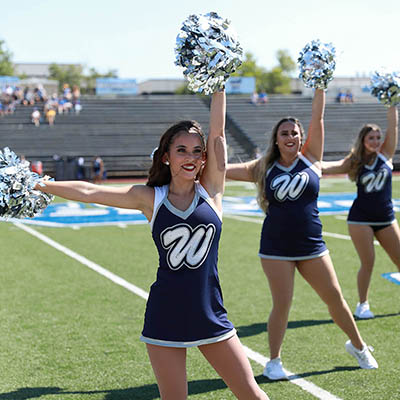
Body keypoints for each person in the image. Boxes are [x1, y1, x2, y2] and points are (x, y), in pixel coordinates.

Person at [35, 90, 269, 400]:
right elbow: (90, 192)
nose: (190, 157)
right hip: (165, 313)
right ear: (166, 156)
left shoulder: (212, 190)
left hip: (209, 312)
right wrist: (40, 184)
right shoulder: (151, 198)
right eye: (181, 150)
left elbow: (218, 133)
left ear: (204, 159)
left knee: (251, 394)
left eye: (197, 151)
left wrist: (218, 82)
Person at [226, 88, 378, 380]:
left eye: (294, 133)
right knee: (282, 304)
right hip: (275, 247)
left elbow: (317, 118)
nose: (291, 137)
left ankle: (359, 346)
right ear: (276, 138)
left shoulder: (311, 158)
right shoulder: (263, 167)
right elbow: (223, 169)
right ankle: (274, 361)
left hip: (312, 245)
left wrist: (320, 85)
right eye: (284, 133)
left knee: (335, 299)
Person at [322, 105, 399, 319]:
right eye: (371, 138)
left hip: (386, 217)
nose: (375, 141)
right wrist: (308, 162)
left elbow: (393, 126)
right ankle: (362, 304)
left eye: (377, 137)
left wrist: (392, 103)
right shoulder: (354, 161)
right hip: (361, 219)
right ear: (363, 140)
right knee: (368, 262)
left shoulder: (386, 155)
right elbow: (330, 167)